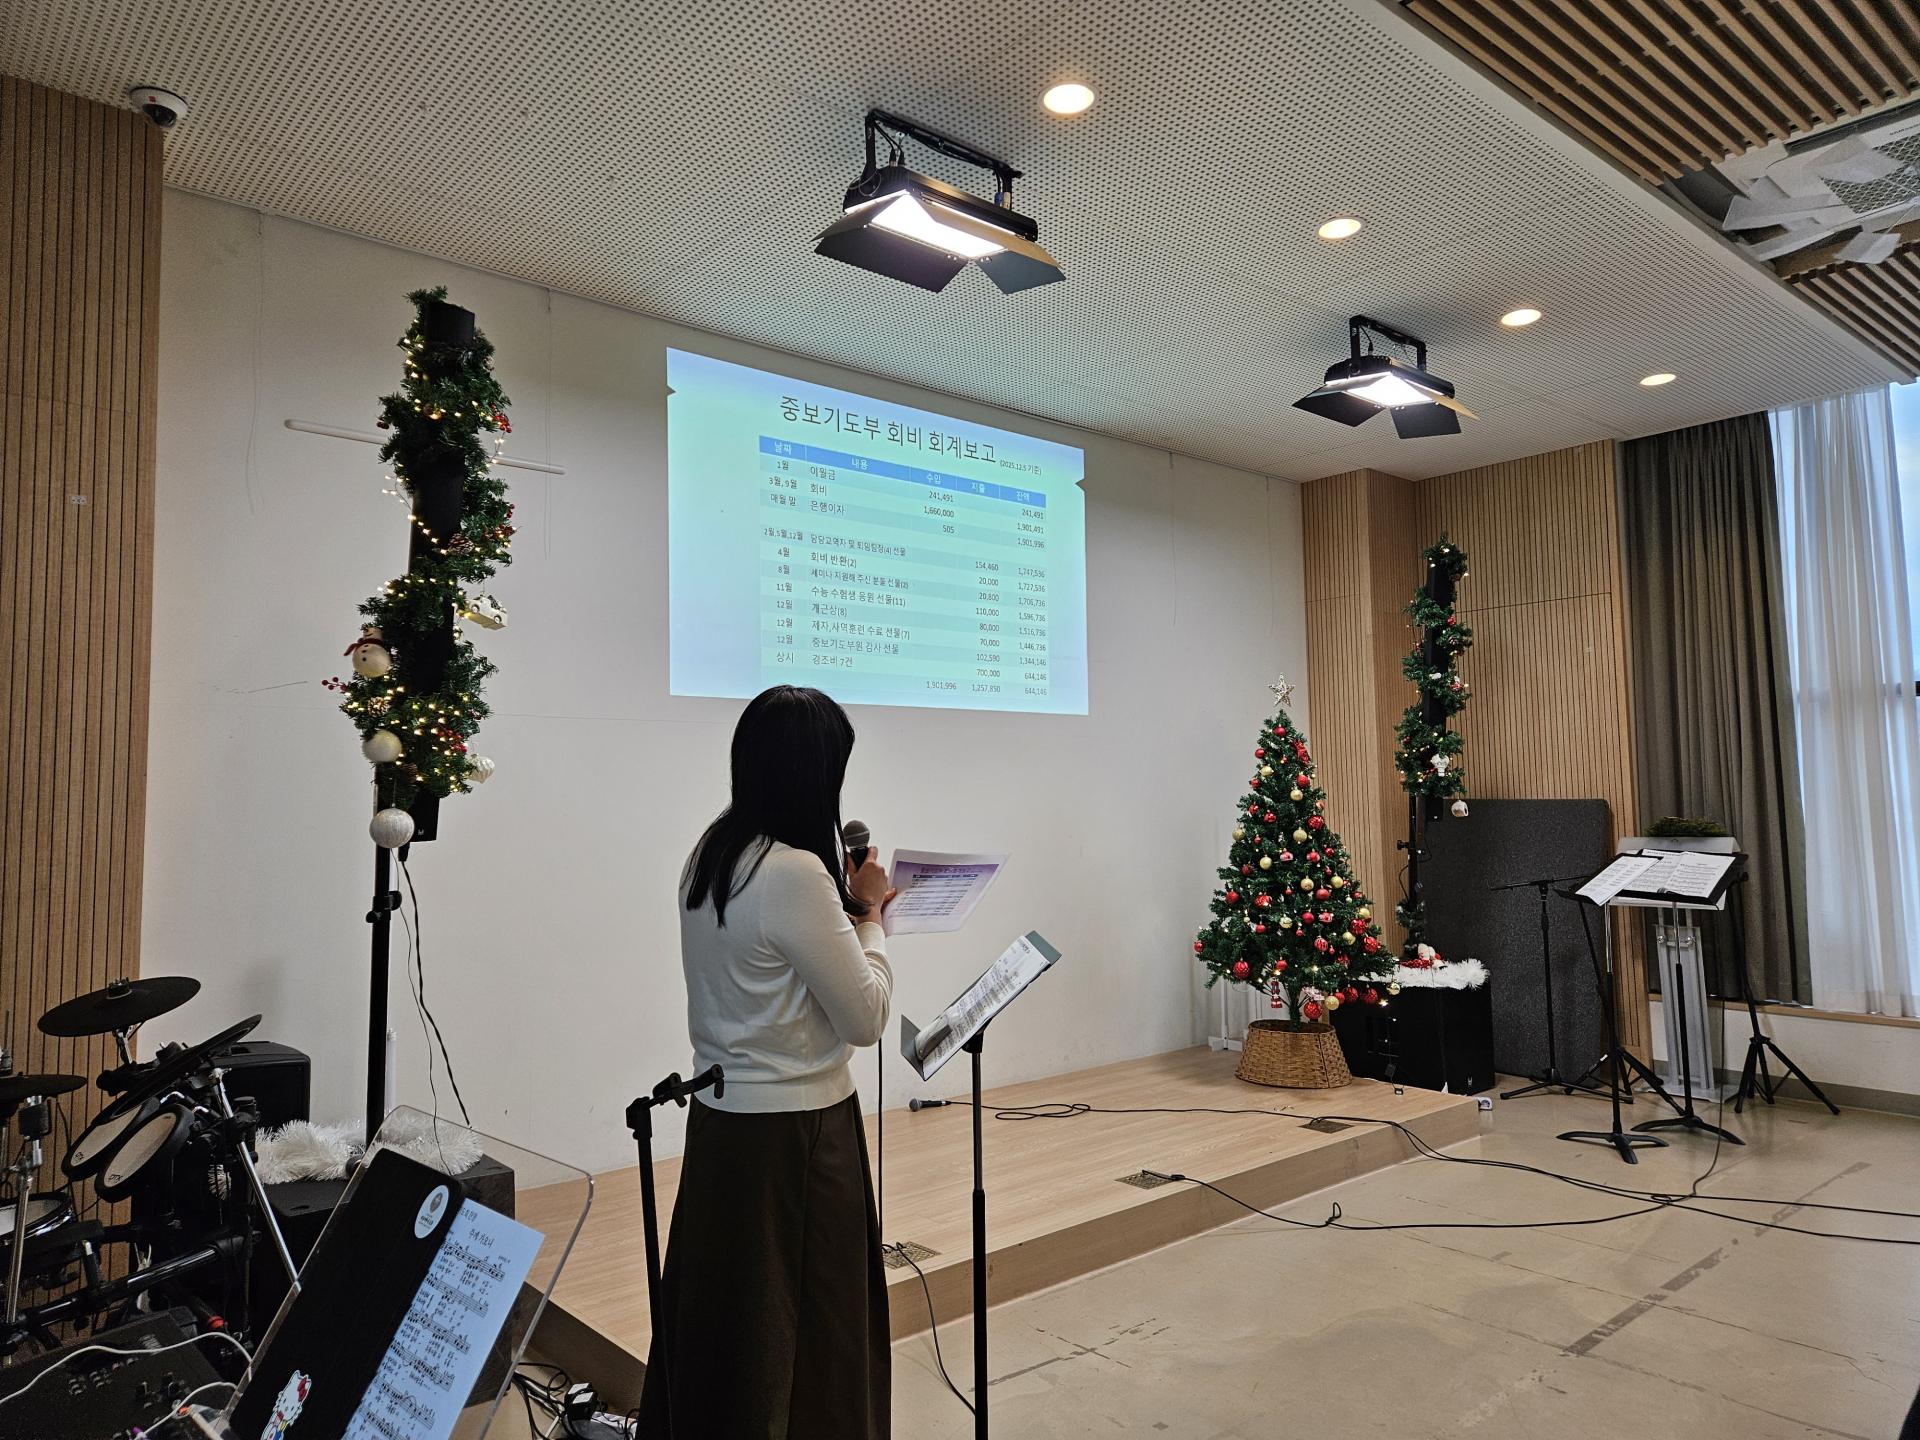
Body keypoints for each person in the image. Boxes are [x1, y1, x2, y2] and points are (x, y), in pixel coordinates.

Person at [635, 685, 895, 1440]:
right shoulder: (795, 873)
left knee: (729, 1325)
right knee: (815, 1329)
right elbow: (866, 1018)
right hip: (799, 1133)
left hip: (723, 1125)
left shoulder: (711, 857)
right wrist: (873, 918)